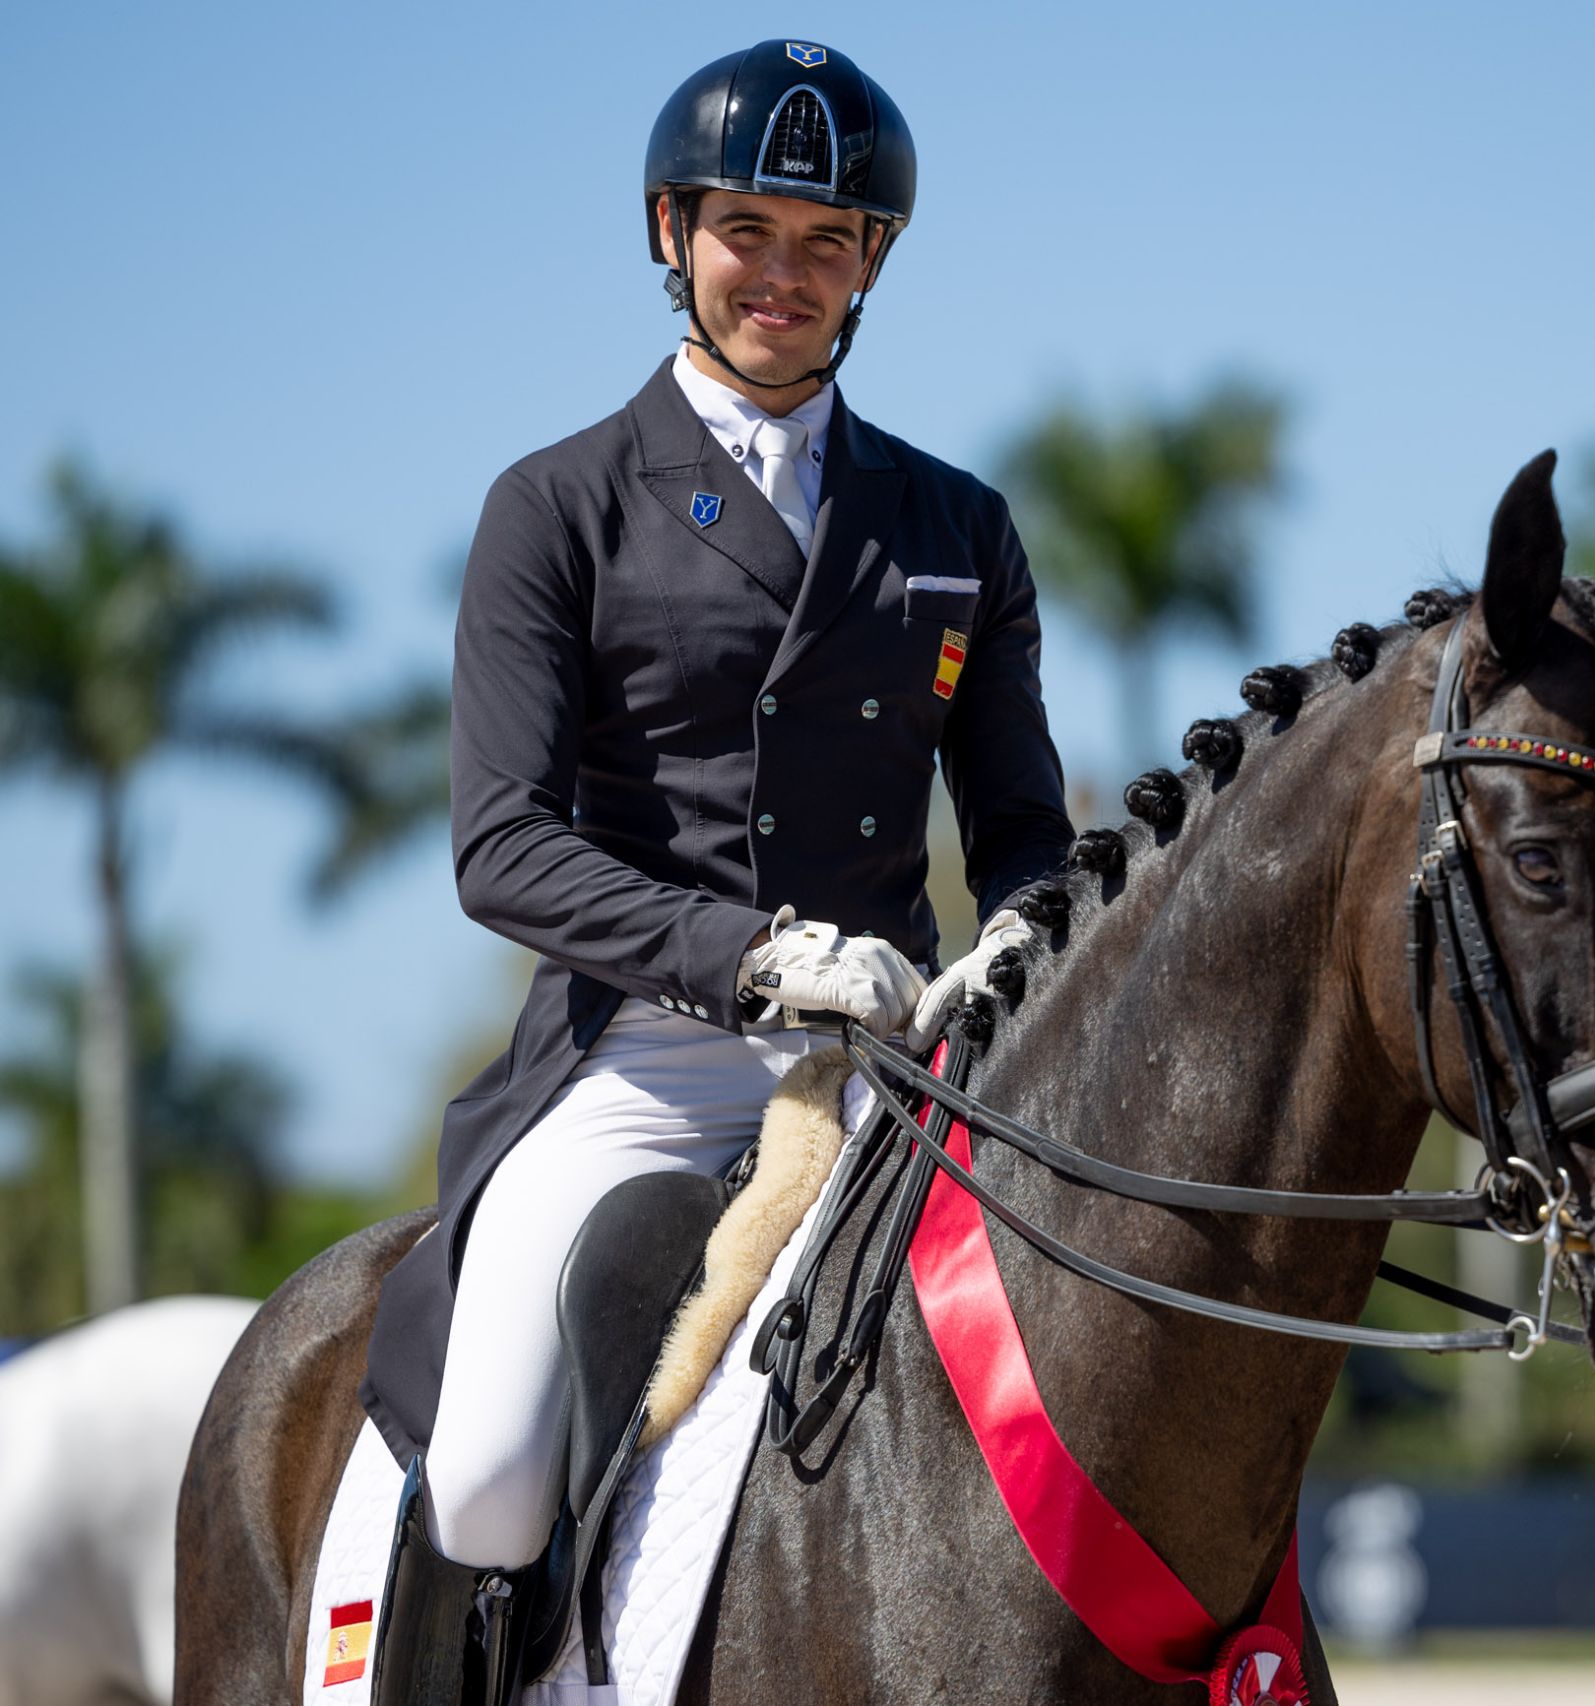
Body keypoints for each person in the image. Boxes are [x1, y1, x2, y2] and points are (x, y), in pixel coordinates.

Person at [353, 39, 1071, 1702]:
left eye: (832, 242)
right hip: (649, 1056)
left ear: (875, 264)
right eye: (751, 229)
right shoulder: (557, 506)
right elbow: (502, 843)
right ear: (673, 232)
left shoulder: (958, 524)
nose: (788, 275)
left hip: (902, 1055)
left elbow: (1022, 823)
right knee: (483, 1463)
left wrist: (1029, 923)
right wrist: (753, 955)